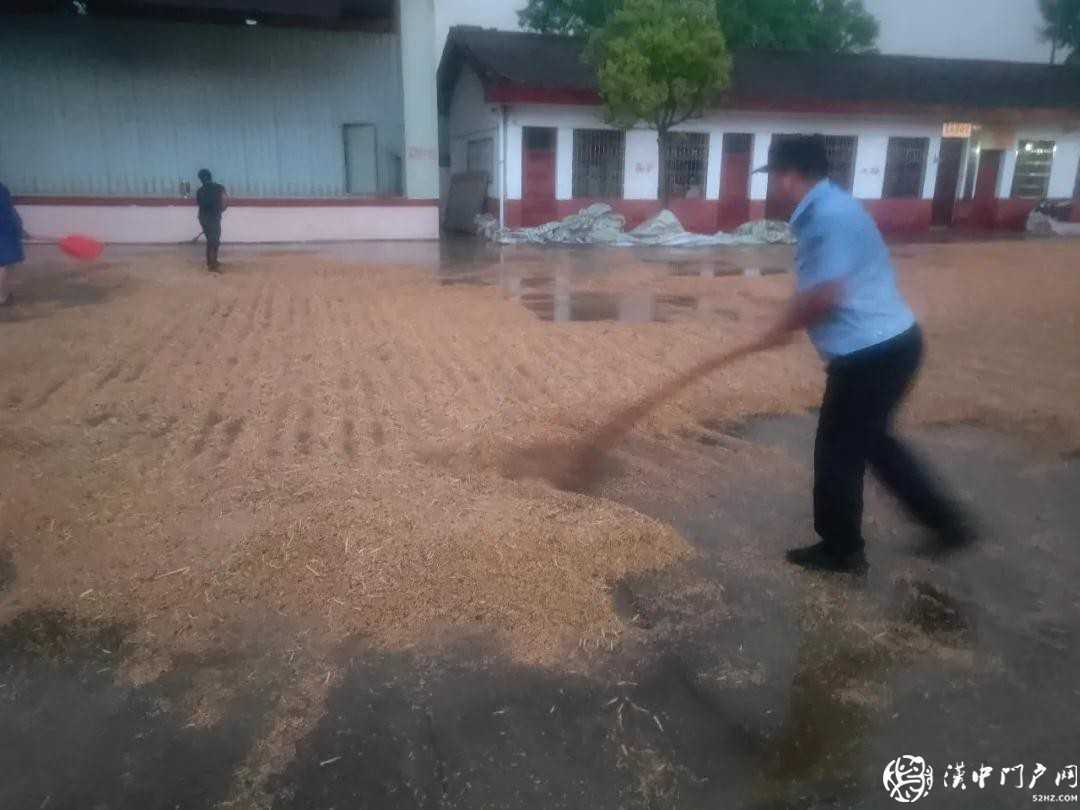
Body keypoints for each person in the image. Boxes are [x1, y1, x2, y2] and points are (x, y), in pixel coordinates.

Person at [756, 135, 972, 574]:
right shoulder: (831, 205)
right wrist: (791, 319)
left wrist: (784, 324)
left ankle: (842, 550)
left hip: (870, 353)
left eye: (773, 178)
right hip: (890, 345)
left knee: (838, 449)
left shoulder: (827, 217)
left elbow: (827, 294)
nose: (771, 189)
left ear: (788, 175)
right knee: (872, 442)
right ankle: (946, 523)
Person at [195, 169, 227, 271]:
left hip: (203, 218)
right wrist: (221, 210)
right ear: (210, 176)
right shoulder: (220, 188)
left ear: (201, 179)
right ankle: (213, 263)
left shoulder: (199, 191)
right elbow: (225, 202)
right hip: (214, 217)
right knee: (215, 240)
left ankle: (211, 261)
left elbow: (200, 204)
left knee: (211, 239)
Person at [0, 182, 25, 306]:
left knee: (6, 263)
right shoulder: (2, 190)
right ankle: (2, 297)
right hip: (5, 230)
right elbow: (8, 211)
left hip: (6, 228)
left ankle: (3, 295)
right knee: (5, 263)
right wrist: (19, 228)